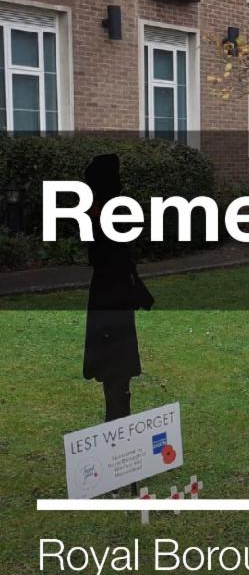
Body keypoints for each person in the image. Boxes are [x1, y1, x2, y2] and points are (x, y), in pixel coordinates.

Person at [82, 154, 154, 423]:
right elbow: (115, 254)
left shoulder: (101, 210)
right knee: (116, 359)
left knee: (115, 360)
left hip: (112, 291)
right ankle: (117, 413)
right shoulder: (105, 212)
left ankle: (118, 408)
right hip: (112, 293)